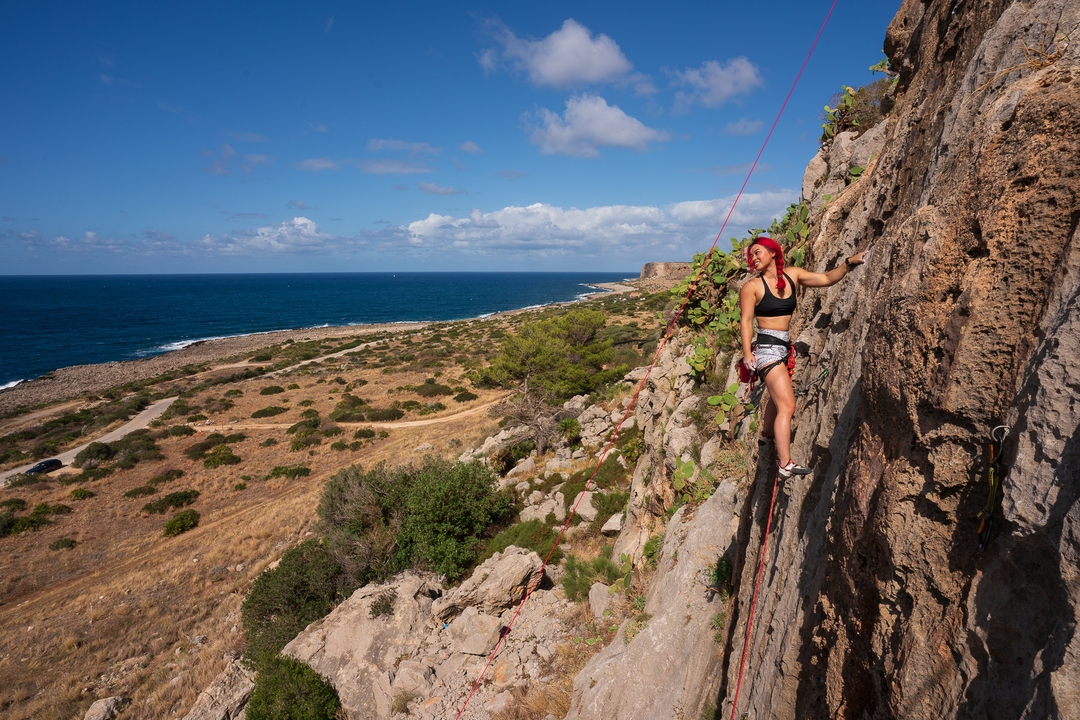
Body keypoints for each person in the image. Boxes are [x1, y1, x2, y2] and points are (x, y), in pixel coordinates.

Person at [739, 236, 868, 478]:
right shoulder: (752, 287)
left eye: (758, 253)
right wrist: (748, 354)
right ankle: (785, 464)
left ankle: (766, 436)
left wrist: (850, 262)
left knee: (778, 398)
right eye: (751, 256)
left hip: (784, 348)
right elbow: (745, 322)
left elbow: (828, 278)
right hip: (766, 350)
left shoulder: (793, 275)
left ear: (773, 253)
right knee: (787, 404)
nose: (753, 258)